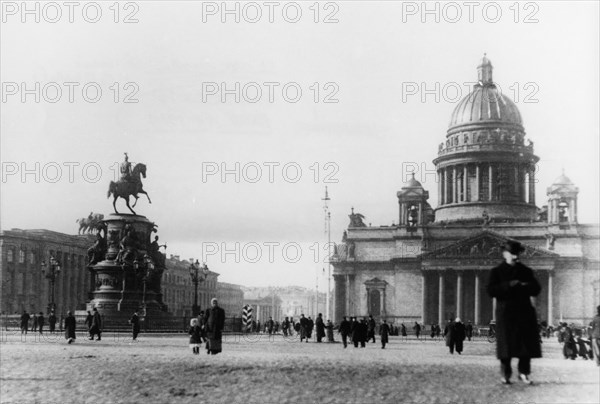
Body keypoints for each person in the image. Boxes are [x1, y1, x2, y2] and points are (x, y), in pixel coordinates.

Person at [487, 240, 541, 385]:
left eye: (517, 254)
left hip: (524, 313)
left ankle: (524, 373)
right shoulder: (496, 272)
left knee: (525, 346)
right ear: (505, 254)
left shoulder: (526, 271)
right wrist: (508, 285)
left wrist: (525, 285)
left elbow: (536, 289)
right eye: (513, 254)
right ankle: (506, 374)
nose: (516, 257)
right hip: (506, 314)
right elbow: (491, 291)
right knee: (506, 346)